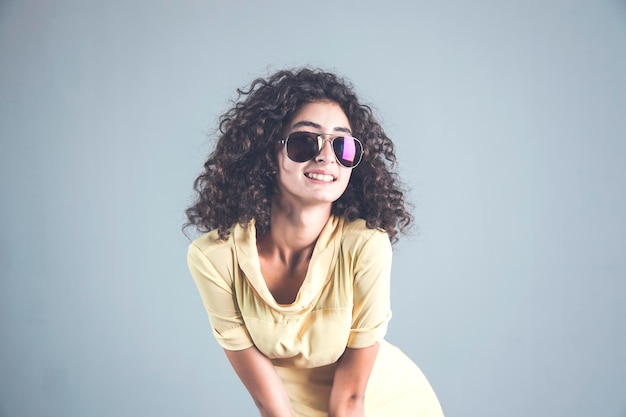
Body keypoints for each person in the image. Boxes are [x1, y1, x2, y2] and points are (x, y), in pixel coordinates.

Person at [185, 68, 444, 417]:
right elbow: (270, 405)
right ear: (266, 153)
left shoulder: (365, 246)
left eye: (343, 144)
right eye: (305, 141)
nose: (326, 157)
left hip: (382, 404)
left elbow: (351, 400)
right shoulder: (215, 258)